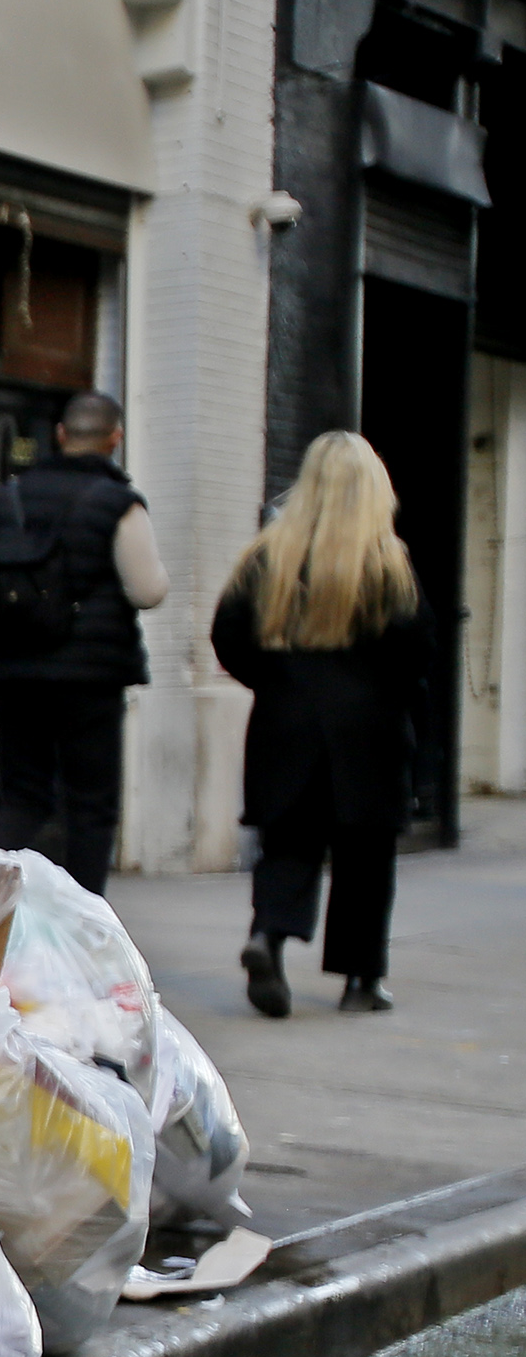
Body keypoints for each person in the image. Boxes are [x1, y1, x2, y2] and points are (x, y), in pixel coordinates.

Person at [210, 430, 431, 1017]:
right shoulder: (387, 563)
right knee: (366, 856)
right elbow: (416, 653)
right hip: (370, 731)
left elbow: (228, 636)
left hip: (287, 725)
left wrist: (276, 682)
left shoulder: (267, 557)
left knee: (288, 842)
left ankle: (269, 937)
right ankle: (361, 980)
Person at [0, 391, 169, 898]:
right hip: (90, 681)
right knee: (91, 808)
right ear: (115, 439)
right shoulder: (119, 504)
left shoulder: (3, 501)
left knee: (23, 799)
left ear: (59, 435)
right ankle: (85, 927)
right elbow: (147, 589)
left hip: (16, 674)